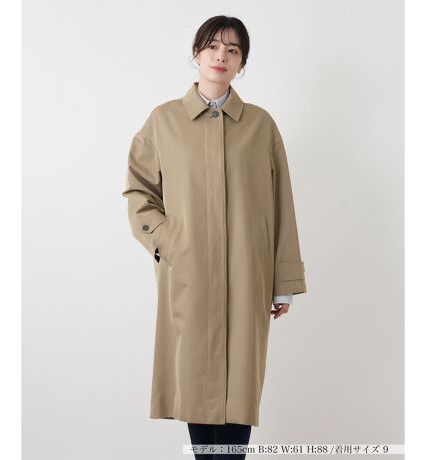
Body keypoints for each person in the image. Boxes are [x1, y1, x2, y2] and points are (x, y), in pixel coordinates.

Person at [122, 15, 307, 460]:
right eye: (212, 46)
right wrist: (170, 241)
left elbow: (281, 203)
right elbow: (138, 192)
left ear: (242, 64)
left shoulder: (260, 126)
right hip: (188, 274)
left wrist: (283, 280)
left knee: (239, 384)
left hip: (247, 274)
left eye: (233, 50)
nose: (221, 56)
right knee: (195, 384)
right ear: (196, 54)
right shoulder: (164, 121)